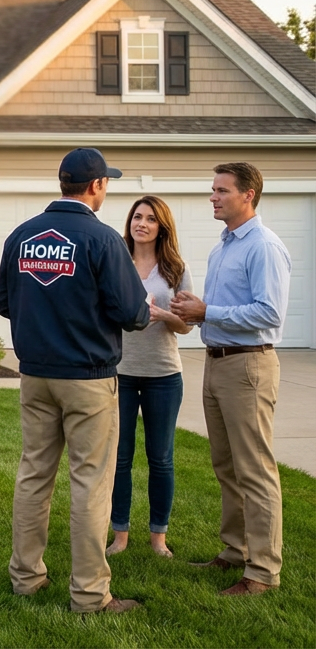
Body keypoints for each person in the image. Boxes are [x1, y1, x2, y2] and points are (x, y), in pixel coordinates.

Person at [0, 147, 149, 614]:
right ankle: (88, 595)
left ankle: (26, 577)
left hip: (36, 376)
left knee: (33, 475)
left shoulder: (22, 236)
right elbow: (133, 312)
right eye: (108, 183)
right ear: (97, 186)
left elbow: (4, 302)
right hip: (87, 379)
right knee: (90, 483)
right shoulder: (101, 239)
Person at [170, 162, 289, 596]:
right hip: (218, 362)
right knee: (226, 465)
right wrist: (196, 309)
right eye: (213, 189)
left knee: (255, 470)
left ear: (248, 195)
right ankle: (235, 551)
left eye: (222, 190)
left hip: (248, 367)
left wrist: (208, 312)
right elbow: (226, 311)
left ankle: (262, 572)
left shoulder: (264, 247)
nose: (213, 197)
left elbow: (269, 313)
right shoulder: (223, 247)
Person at [106, 196, 192, 559]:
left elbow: (187, 325)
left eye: (151, 219)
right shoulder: (115, 262)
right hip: (121, 373)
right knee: (119, 458)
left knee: (161, 458)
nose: (141, 223)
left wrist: (163, 317)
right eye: (137, 217)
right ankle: (120, 535)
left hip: (163, 373)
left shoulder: (175, 269)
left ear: (162, 228)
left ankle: (159, 537)